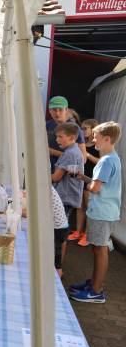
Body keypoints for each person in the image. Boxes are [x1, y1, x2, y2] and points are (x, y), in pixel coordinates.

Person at [70, 122, 122, 304]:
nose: (92, 139)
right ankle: (94, 283)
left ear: (107, 139)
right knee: (98, 249)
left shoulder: (106, 161)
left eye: (95, 137)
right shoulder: (112, 158)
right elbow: (100, 185)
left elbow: (95, 188)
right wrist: (84, 178)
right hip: (105, 212)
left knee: (100, 250)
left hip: (102, 212)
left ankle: (96, 290)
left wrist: (86, 182)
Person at [50, 122, 84, 272]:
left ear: (71, 137)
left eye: (60, 137)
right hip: (67, 197)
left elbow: (56, 177)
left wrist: (38, 176)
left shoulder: (70, 153)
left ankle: (57, 268)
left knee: (59, 233)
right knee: (61, 232)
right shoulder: (74, 151)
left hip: (64, 198)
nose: (57, 140)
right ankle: (58, 267)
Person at [69, 118, 100, 246]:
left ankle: (87, 235)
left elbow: (101, 162)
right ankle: (78, 231)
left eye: (85, 128)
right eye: (81, 128)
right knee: (79, 206)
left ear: (93, 129)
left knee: (89, 207)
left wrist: (88, 155)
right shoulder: (81, 144)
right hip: (80, 177)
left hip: (91, 179)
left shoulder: (98, 144)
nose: (82, 131)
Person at [46, 96, 86, 173]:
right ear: (49, 110)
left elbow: (82, 158)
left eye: (60, 110)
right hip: (49, 171)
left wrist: (68, 175)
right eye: (54, 110)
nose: (57, 113)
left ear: (66, 110)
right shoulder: (48, 125)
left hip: (66, 176)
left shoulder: (74, 128)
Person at [51, 186, 69, 278]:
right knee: (57, 256)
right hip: (61, 226)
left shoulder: (44, 189)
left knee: (56, 258)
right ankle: (58, 274)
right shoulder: (47, 188)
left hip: (58, 228)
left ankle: (58, 278)